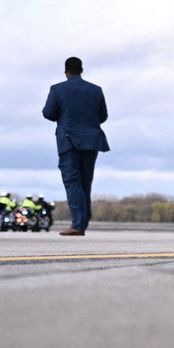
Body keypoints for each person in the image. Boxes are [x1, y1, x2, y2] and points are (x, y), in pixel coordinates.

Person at [42, 56, 109, 237]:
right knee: (86, 181)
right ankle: (82, 221)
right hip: (91, 141)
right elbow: (103, 116)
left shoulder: (57, 89)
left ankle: (78, 224)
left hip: (69, 141)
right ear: (82, 70)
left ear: (66, 72)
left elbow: (48, 113)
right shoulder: (96, 90)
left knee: (72, 182)